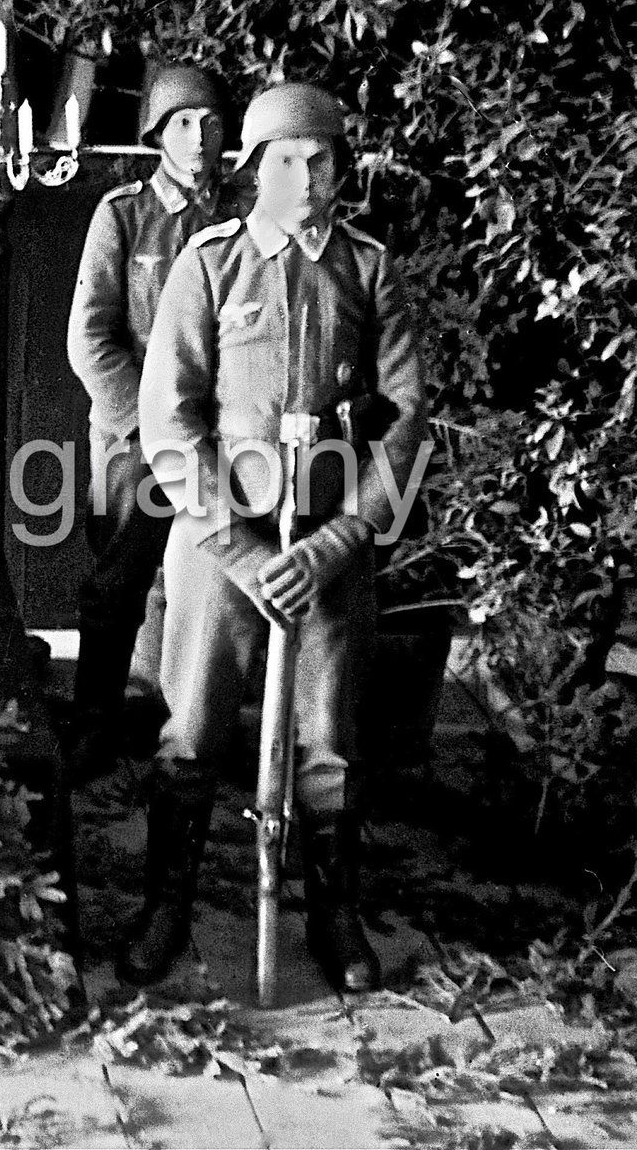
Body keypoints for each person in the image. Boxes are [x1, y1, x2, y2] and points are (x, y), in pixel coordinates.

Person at [130, 82, 427, 992]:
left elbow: (405, 420)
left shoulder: (368, 270)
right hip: (222, 544)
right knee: (192, 727)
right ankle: (166, 906)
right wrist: (243, 548)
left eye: (320, 159)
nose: (304, 178)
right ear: (254, 170)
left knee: (331, 739)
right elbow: (169, 420)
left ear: (342, 169)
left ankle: (334, 913)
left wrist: (339, 542)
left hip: (330, 550)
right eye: (285, 161)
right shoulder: (210, 265)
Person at [64, 65, 233, 774]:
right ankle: (94, 724)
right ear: (156, 134)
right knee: (117, 581)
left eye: (211, 123)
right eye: (182, 123)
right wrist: (151, 426)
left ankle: (182, 727)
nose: (198, 138)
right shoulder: (125, 216)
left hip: (221, 436)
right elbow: (90, 338)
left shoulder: (243, 217)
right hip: (134, 435)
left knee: (209, 581)